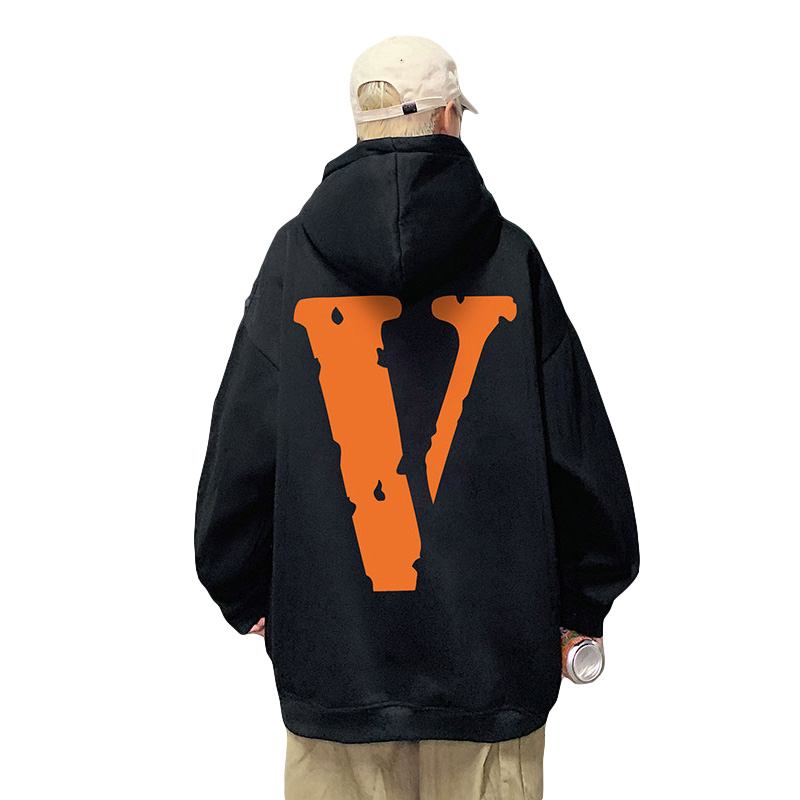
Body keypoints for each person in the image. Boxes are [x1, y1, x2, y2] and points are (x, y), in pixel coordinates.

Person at [194, 35, 640, 800]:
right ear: (447, 120)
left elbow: (240, 454)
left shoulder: (292, 263)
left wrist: (245, 590)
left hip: (336, 681)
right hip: (492, 682)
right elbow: (580, 453)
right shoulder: (512, 259)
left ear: (359, 124)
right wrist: (582, 606)